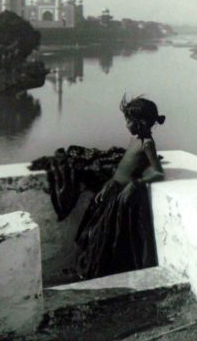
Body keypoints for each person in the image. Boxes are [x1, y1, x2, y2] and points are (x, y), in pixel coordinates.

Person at [75, 95, 166, 279]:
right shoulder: (135, 140)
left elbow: (158, 172)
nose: (126, 125)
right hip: (114, 190)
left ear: (140, 122)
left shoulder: (147, 144)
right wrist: (110, 182)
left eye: (128, 121)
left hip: (124, 197)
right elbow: (125, 165)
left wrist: (135, 184)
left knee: (115, 239)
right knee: (98, 233)